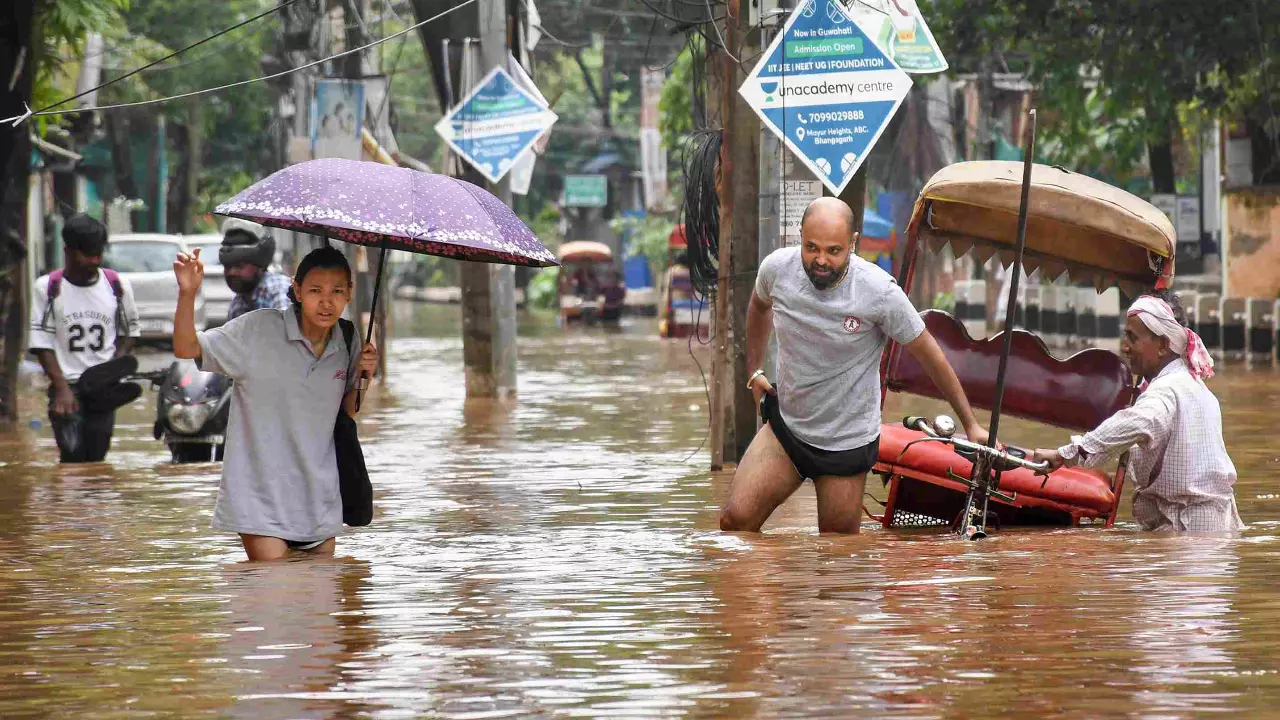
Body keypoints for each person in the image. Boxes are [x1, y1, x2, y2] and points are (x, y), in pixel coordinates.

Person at [720, 198, 989, 534]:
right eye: (811, 247)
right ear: (799, 237)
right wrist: (755, 371)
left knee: (837, 557)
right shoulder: (777, 269)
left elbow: (929, 354)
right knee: (735, 523)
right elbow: (759, 306)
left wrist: (971, 423)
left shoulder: (878, 292)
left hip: (846, 443)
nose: (820, 260)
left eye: (834, 251)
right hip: (787, 428)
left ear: (853, 244)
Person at [172, 245, 378, 561]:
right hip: (261, 498)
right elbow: (187, 348)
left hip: (319, 500)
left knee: (318, 603)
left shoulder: (348, 340)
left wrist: (366, 377)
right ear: (296, 289)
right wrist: (188, 293)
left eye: (337, 291)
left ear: (350, 293)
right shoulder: (256, 330)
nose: (326, 301)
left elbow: (344, 414)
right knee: (273, 590)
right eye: (315, 290)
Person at [1033, 294, 1244, 533]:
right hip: (1214, 526)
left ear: (1163, 345)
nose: (1124, 347)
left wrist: (1064, 455)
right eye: (1126, 336)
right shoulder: (1194, 386)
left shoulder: (1165, 391)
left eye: (1132, 338)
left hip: (1188, 531)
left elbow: (1133, 423)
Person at [29, 214, 141, 463]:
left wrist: (112, 370)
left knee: (97, 461)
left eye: (98, 254)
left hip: (102, 391)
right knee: (72, 461)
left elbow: (129, 333)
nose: (94, 260)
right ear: (68, 250)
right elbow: (41, 344)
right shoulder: (48, 288)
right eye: (87, 254)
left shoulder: (117, 286)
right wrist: (61, 389)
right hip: (66, 388)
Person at [220, 219, 291, 321]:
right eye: (227, 266)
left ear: (260, 265)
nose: (232, 272)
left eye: (239, 266)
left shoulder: (278, 289)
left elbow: (288, 332)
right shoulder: (238, 303)